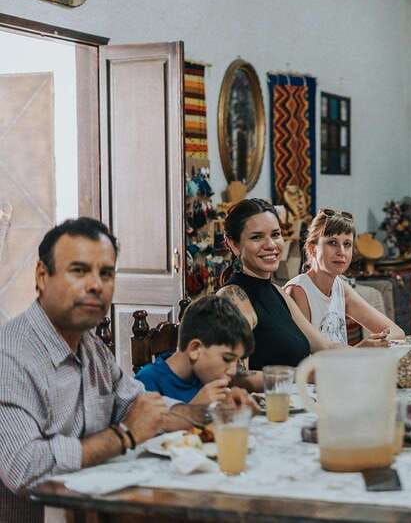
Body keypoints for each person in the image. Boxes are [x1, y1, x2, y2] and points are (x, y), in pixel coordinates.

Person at [0, 218, 246, 523]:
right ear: (41, 276)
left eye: (106, 273)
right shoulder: (10, 355)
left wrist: (210, 412)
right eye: (79, 270)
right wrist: (124, 435)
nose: (95, 284)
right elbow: (24, 468)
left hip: (104, 508)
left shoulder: (91, 347)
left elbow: (137, 404)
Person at [219, 198, 340, 372]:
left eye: (275, 235)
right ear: (234, 245)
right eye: (257, 237)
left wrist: (367, 354)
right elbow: (236, 375)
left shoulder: (277, 291)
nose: (270, 245)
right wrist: (302, 376)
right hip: (265, 399)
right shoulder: (232, 297)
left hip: (297, 396)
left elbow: (325, 347)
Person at [285, 208, 404, 347]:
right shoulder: (298, 291)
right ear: (312, 249)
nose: (341, 252)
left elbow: (397, 333)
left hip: (342, 366)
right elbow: (304, 355)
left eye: (347, 244)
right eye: (332, 243)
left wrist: (380, 340)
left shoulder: (340, 287)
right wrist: (361, 349)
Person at [135, 295, 255, 404]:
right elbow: (142, 426)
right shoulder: (147, 382)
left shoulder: (204, 374)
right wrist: (195, 408)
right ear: (195, 349)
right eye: (227, 358)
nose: (233, 371)